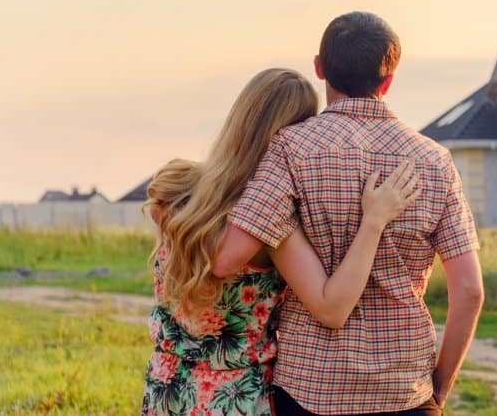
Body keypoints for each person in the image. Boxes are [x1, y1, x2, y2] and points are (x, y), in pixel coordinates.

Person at [213, 12, 484, 416]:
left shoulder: (291, 148)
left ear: (320, 67)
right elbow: (470, 291)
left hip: (310, 390)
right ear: (388, 80)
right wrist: (438, 391)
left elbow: (231, 254)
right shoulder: (435, 161)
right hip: (404, 390)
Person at [140, 68, 419, 416]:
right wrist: (373, 222)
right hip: (235, 398)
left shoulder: (176, 188)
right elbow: (331, 306)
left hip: (167, 387)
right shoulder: (271, 228)